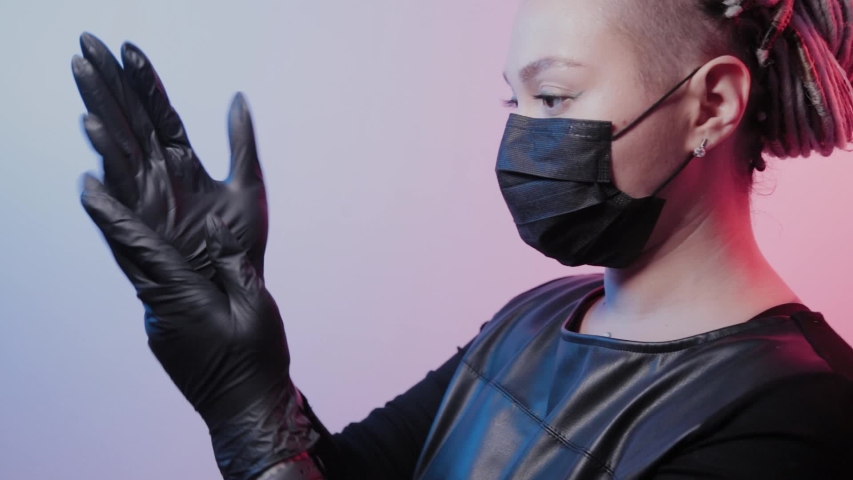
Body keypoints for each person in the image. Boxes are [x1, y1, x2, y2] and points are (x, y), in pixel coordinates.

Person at [72, 0, 853, 478]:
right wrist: (252, 398)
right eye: (510, 99)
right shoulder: (534, 320)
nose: (519, 138)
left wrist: (252, 427)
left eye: (552, 95)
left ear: (712, 104)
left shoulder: (802, 413)